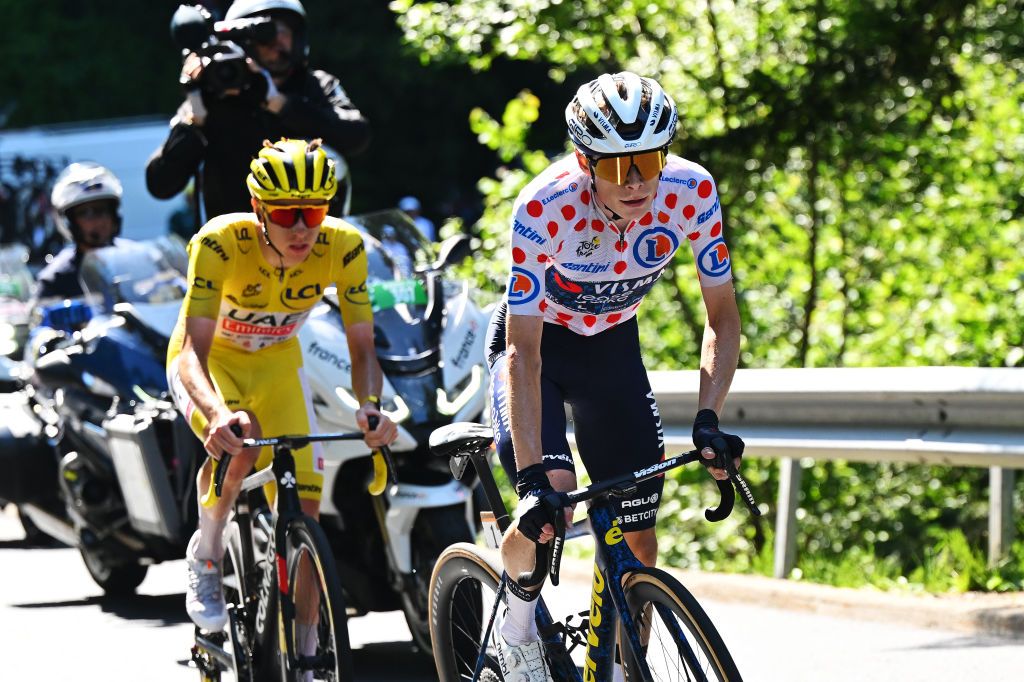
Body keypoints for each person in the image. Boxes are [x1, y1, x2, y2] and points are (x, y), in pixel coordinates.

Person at [488, 72, 744, 682]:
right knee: (549, 499)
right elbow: (522, 350)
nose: (634, 182)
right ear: (584, 160)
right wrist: (529, 481)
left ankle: (628, 670)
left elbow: (723, 317)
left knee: (639, 540)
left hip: (611, 349)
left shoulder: (691, 190)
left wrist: (708, 416)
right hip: (540, 353)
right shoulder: (543, 207)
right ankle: (516, 636)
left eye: (649, 160)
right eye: (614, 167)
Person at [166, 138, 398, 642]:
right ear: (257, 209)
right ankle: (206, 554)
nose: (300, 229)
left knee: (306, 508)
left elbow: (363, 349)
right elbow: (191, 352)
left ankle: (309, 648)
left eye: (313, 214)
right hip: (214, 365)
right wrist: (215, 413)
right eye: (286, 214)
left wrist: (370, 407)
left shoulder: (345, 246)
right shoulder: (219, 243)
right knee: (241, 442)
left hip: (277, 365)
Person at [146, 0, 370, 222]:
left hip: (309, 241)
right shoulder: (214, 95)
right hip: (237, 248)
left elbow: (356, 136)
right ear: (241, 42)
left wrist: (278, 103)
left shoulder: (315, 86)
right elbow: (160, 185)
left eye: (281, 31)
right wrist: (195, 119)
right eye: (262, 33)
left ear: (298, 37)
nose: (274, 42)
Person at [33, 163, 126, 303]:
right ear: (70, 222)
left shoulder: (139, 259)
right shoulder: (55, 279)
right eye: (86, 213)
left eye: (103, 210)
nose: (98, 220)